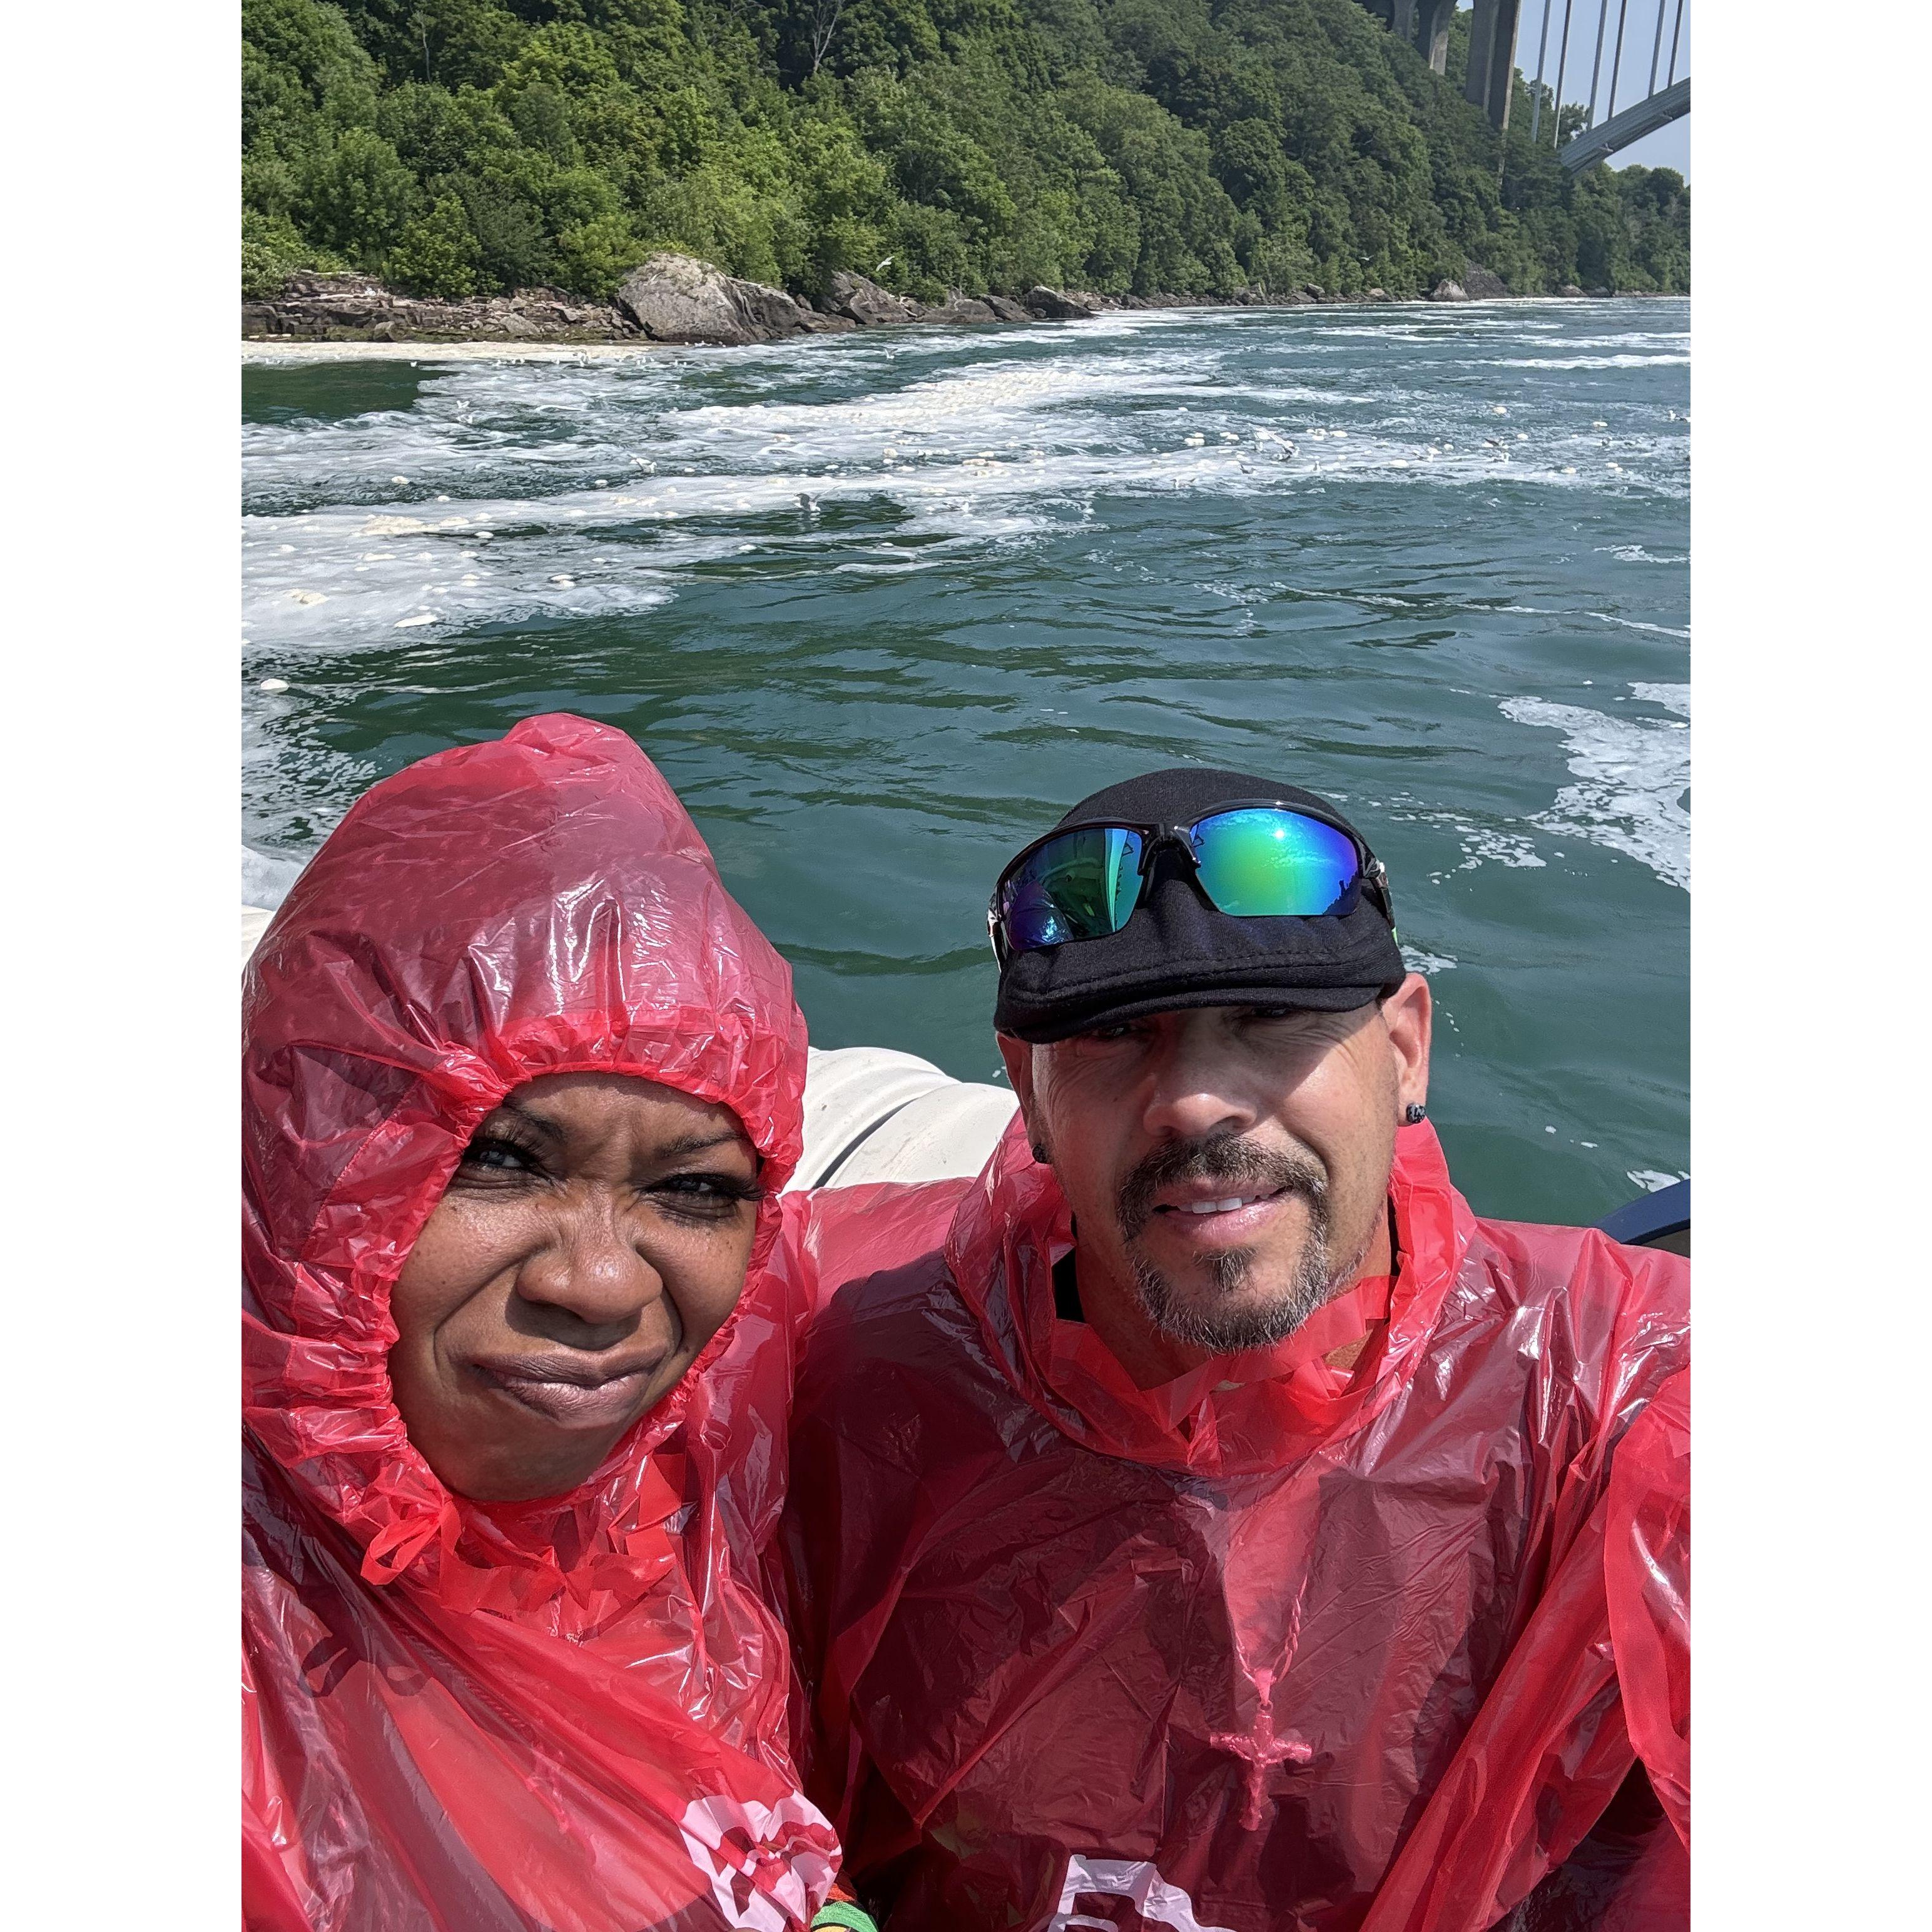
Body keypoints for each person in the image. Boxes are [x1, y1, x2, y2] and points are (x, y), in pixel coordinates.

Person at [783, 766, 1690, 1931]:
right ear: (1031, 1096)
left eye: (1270, 1018)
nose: (1196, 1102)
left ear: (1406, 1049)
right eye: (1116, 1034)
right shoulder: (852, 1380)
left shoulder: (1619, 1398)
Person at [242, 714, 948, 1932]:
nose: (602, 1281)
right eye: (500, 1160)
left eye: (696, 1188)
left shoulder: (723, 1403)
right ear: (309, 1168)